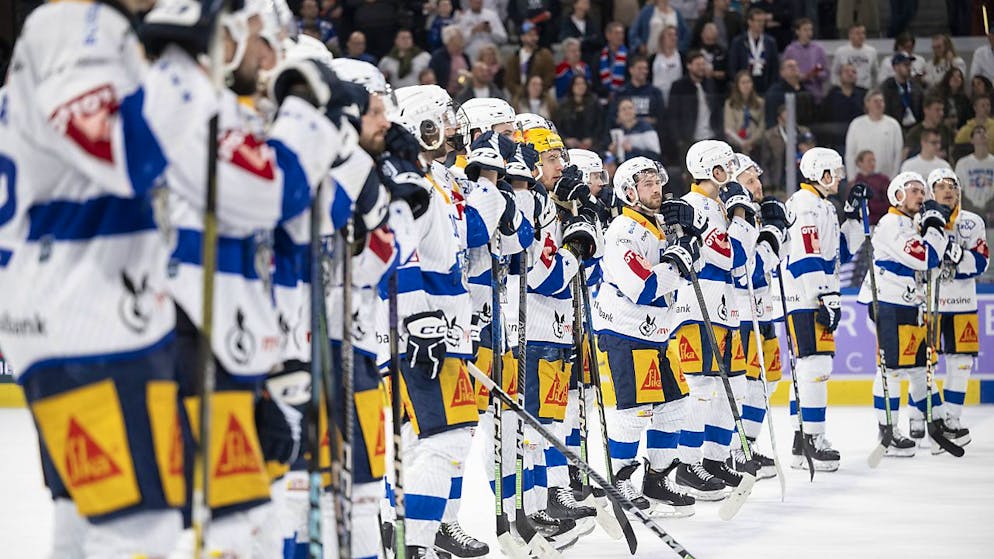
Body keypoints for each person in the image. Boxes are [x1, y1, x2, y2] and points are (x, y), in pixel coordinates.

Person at [389, 84, 521, 558]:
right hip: (428, 329)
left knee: (420, 438)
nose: (452, 124)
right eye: (442, 117)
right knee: (445, 437)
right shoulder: (414, 183)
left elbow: (485, 235)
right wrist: (417, 320)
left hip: (445, 326)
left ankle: (405, 534)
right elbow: (412, 254)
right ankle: (415, 542)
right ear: (420, 125)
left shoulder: (439, 177)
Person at [591, 156, 703, 514]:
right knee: (633, 412)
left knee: (674, 408)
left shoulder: (660, 226)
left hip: (659, 331)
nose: (657, 189)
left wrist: (688, 238)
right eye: (648, 184)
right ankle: (617, 480)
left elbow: (692, 267)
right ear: (629, 192)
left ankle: (656, 480)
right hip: (625, 330)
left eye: (658, 181)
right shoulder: (622, 230)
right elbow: (643, 286)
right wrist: (676, 259)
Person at [519, 124, 602, 542]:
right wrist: (576, 247)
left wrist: (584, 221)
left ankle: (550, 496)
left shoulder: (553, 206)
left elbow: (592, 268)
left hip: (555, 328)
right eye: (552, 158)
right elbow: (546, 277)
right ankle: (532, 507)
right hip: (532, 328)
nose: (561, 166)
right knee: (535, 427)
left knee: (551, 420)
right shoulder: (532, 205)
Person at [671, 140, 751, 499]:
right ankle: (688, 465)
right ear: (712, 170)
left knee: (733, 386)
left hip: (725, 307)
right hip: (697, 305)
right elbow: (731, 255)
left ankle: (715, 459)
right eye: (726, 167)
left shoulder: (718, 204)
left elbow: (744, 261)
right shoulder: (694, 207)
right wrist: (740, 217)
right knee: (703, 387)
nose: (732, 174)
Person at [856, 171, 950, 457]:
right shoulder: (891, 223)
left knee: (919, 367)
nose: (921, 196)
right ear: (897, 195)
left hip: (908, 302)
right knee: (892, 370)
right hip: (888, 303)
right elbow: (925, 257)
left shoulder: (911, 224)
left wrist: (931, 227)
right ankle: (888, 431)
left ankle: (934, 422)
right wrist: (935, 227)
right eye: (913, 190)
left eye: (923, 191)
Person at [784, 148, 866, 471]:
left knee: (811, 368)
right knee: (814, 366)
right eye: (834, 171)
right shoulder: (805, 205)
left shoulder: (823, 206)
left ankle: (800, 439)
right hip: (806, 298)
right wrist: (823, 296)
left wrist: (854, 217)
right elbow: (806, 257)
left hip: (815, 296)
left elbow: (840, 253)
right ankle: (812, 439)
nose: (839, 177)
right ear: (820, 173)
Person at [727, 154, 790, 479]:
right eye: (750, 180)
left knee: (766, 381)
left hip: (764, 311)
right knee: (746, 383)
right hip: (741, 313)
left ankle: (746, 445)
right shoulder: (731, 220)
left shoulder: (754, 218)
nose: (758, 185)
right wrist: (771, 237)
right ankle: (732, 450)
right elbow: (745, 271)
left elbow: (779, 260)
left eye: (757, 178)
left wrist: (779, 231)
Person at [927, 168, 989, 446]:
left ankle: (951, 420)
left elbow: (980, 263)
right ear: (931, 192)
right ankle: (928, 417)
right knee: (923, 365)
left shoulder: (972, 222)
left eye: (952, 185)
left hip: (963, 303)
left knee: (961, 363)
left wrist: (956, 255)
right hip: (929, 304)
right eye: (940, 186)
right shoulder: (921, 220)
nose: (948, 190)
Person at [668, 50, 723, 162]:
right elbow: (673, 115)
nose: (701, 67)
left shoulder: (710, 84)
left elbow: (717, 110)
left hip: (711, 137)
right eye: (698, 64)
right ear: (689, 66)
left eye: (703, 64)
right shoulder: (679, 86)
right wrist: (679, 140)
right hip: (689, 139)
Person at [845, 90, 904, 180]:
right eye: (875, 101)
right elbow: (850, 154)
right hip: (861, 178)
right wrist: (851, 178)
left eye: (881, 101)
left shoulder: (893, 125)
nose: (879, 104)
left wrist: (893, 178)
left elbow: (898, 154)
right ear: (867, 103)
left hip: (886, 179)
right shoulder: (856, 124)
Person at [758, 105, 812, 191]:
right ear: (779, 119)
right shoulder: (769, 136)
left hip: (802, 179)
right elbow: (765, 163)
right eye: (786, 120)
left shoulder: (804, 132)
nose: (789, 123)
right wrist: (767, 187)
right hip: (779, 181)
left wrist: (807, 151)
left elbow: (814, 154)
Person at [727, 6, 780, 94]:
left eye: (763, 21)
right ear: (750, 22)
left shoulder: (770, 42)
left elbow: (775, 67)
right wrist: (739, 85)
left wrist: (771, 88)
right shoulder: (738, 42)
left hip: (765, 86)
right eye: (758, 21)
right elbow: (733, 66)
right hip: (744, 86)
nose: (761, 24)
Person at [504, 21, 556, 101]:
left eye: (535, 35)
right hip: (520, 97)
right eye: (530, 35)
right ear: (522, 37)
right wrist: (521, 92)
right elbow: (510, 80)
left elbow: (550, 76)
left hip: (541, 97)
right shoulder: (514, 58)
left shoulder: (545, 55)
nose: (534, 38)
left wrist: (538, 90)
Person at [782, 18, 828, 102]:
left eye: (810, 30)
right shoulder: (790, 50)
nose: (808, 33)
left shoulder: (819, 49)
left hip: (816, 94)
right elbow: (784, 73)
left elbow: (826, 73)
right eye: (805, 30)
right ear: (797, 31)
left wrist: (816, 74)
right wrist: (799, 76)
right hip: (796, 93)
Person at [612, 56, 665, 127]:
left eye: (645, 69)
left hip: (649, 133)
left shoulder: (655, 92)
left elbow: (661, 118)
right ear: (631, 70)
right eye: (639, 68)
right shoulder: (621, 92)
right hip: (625, 133)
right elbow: (613, 118)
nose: (644, 71)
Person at [955, 125, 994, 220]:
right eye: (978, 132)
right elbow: (958, 190)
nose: (982, 134)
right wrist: (968, 209)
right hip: (969, 211)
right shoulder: (963, 163)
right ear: (972, 140)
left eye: (984, 132)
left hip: (991, 212)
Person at [763, 58, 815, 129]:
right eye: (790, 66)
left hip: (804, 130)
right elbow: (771, 119)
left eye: (796, 65)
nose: (794, 68)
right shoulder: (774, 92)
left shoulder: (805, 90)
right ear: (782, 73)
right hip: (781, 130)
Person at [553, 75, 601, 150]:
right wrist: (566, 139)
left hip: (592, 145)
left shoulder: (594, 103)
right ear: (572, 86)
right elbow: (556, 126)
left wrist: (592, 139)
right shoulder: (563, 105)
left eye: (583, 83)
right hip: (568, 146)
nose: (580, 86)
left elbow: (601, 125)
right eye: (577, 84)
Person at [724, 71, 765, 157]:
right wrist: (741, 142)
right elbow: (729, 126)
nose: (746, 85)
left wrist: (750, 142)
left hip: (755, 145)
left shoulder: (760, 102)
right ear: (737, 85)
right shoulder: (730, 103)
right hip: (736, 145)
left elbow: (762, 126)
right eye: (743, 82)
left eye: (748, 82)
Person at [881, 53, 924, 130]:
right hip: (894, 128)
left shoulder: (915, 87)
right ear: (896, 67)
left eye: (909, 65)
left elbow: (921, 109)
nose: (909, 68)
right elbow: (886, 111)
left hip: (914, 127)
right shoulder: (887, 87)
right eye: (905, 65)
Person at [831, 24, 878, 91]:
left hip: (866, 89)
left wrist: (873, 89)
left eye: (863, 33)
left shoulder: (872, 51)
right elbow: (834, 72)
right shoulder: (841, 51)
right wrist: (839, 87)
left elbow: (875, 73)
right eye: (858, 33)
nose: (861, 36)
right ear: (850, 35)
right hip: (847, 90)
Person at [430, 25, 472, 96]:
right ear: (449, 40)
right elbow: (432, 75)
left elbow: (470, 72)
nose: (461, 39)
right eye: (458, 37)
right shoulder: (438, 56)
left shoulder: (465, 56)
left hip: (463, 94)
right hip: (444, 94)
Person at [852, 150, 891, 224]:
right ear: (860, 163)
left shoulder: (883, 179)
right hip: (864, 223)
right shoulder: (856, 183)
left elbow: (889, 202)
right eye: (869, 161)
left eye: (874, 160)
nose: (872, 163)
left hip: (883, 220)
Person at [650, 25, 683, 105]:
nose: (673, 37)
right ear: (662, 38)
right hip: (657, 95)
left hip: (675, 96)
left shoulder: (682, 57)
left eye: (675, 35)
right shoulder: (653, 58)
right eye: (669, 35)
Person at [598, 21, 630, 98]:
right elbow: (596, 80)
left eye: (622, 33)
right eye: (616, 33)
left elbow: (630, 78)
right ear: (607, 36)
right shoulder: (599, 56)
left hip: (624, 96)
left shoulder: (630, 55)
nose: (620, 36)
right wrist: (607, 93)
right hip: (603, 96)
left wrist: (618, 92)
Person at [698, 21, 730, 92]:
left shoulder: (723, 52)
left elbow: (728, 73)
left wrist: (713, 73)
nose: (710, 43)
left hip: (719, 88)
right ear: (702, 35)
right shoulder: (695, 51)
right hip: (698, 86)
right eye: (708, 39)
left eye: (713, 40)